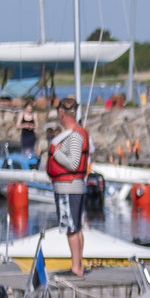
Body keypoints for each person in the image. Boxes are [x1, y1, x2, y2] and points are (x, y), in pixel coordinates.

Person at [45, 98, 91, 277]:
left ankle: (76, 267)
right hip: (71, 187)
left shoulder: (75, 135)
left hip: (69, 187)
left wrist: (55, 152)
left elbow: (73, 163)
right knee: (76, 228)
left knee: (72, 228)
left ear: (62, 113)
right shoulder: (73, 133)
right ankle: (77, 265)